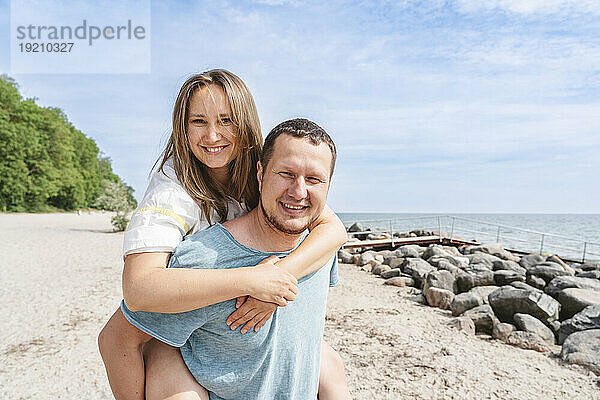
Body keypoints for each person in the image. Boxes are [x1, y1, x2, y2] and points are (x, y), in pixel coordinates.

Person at [97, 70, 350, 399]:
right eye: (198, 121)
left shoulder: (265, 166)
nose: (213, 135)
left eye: (226, 120)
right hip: (177, 321)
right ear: (182, 126)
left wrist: (276, 280)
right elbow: (139, 290)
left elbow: (333, 228)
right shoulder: (171, 195)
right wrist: (250, 280)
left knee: (329, 367)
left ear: (244, 124)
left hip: (231, 322)